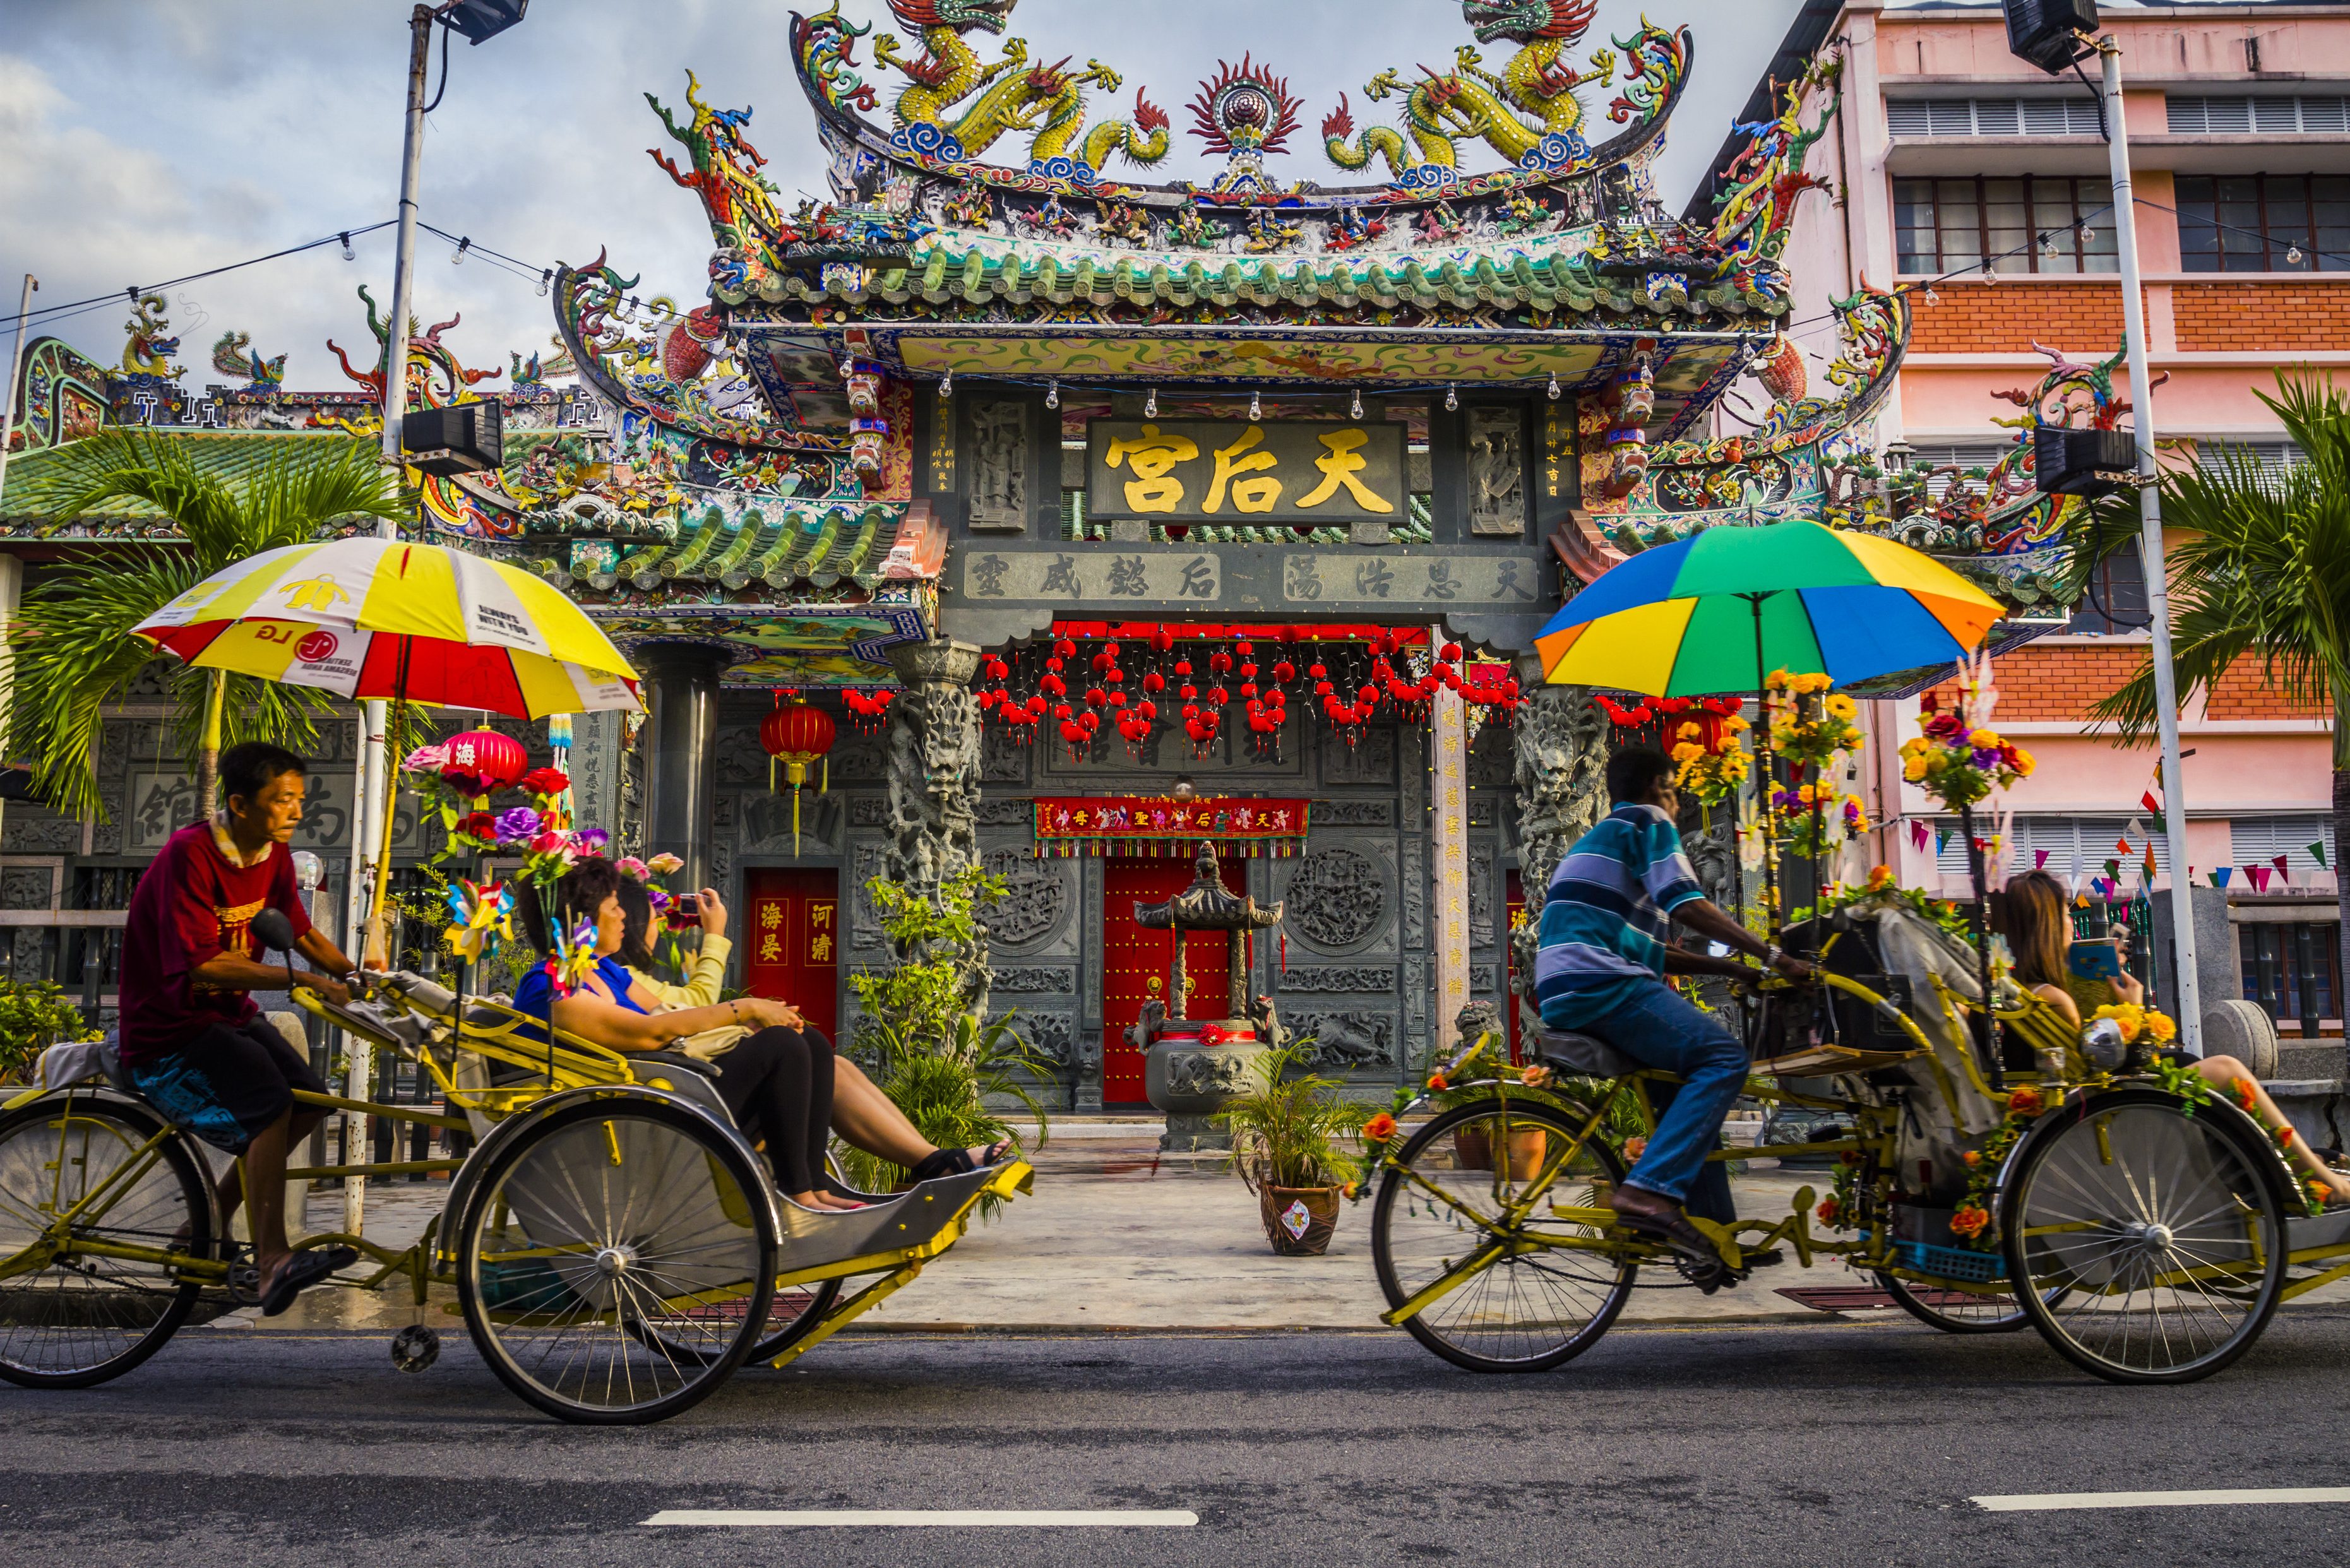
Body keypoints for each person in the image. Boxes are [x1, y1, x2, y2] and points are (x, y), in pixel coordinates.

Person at [1533, 744, 1815, 1281]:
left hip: (1566, 986)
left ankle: (1713, 1239)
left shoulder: (1595, 840)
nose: (1679, 802)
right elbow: (1687, 905)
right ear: (1654, 787)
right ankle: (1649, 1191)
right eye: (1673, 788)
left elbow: (1658, 950)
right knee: (1724, 1059)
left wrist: (1737, 972)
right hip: (1604, 983)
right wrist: (1774, 956)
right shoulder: (1648, 822)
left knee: (1686, 1091)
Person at [117, 742, 366, 1315]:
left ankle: (204, 1223)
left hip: (228, 1016)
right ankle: (273, 1258)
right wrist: (303, 982)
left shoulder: (274, 856)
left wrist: (354, 976)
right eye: (283, 800)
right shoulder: (191, 855)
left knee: (309, 1100)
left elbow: (300, 932)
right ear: (240, 804)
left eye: (300, 799)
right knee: (269, 1103)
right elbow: (203, 964)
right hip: (171, 1027)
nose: (297, 812)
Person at [612, 877, 1009, 1187]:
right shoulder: (602, 977)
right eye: (653, 913)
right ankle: (921, 1163)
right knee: (793, 1046)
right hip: (685, 1085)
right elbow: (690, 1006)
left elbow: (681, 1008)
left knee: (829, 1063)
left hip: (694, 1073)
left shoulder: (618, 975)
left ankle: (932, 1159)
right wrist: (716, 941)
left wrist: (740, 1016)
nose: (661, 922)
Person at [513, 858, 860, 1210]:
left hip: (668, 1091)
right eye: (614, 908)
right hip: (637, 1117)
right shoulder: (552, 988)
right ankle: (799, 1195)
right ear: (581, 920)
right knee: (783, 1046)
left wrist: (748, 1022)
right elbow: (651, 1033)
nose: (623, 917)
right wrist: (746, 1008)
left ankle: (817, 1189)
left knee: (809, 1042)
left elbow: (673, 1014)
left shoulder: (606, 971)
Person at [2005, 869, 2350, 1205]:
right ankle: (2322, 1179)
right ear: (2048, 923)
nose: (2070, 919)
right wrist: (2134, 1008)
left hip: (2095, 1100)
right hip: (2109, 1105)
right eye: (2065, 912)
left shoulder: (2024, 988)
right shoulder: (2056, 998)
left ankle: (2278, 1162)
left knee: (2190, 1063)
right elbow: (2102, 1064)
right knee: (2229, 1069)